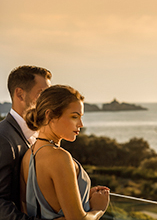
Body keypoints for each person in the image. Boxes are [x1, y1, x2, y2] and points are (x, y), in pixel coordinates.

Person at [20, 85, 110, 219]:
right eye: (74, 117)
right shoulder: (60, 157)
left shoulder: (29, 154)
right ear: (50, 115)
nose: (81, 124)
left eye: (81, 117)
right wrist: (98, 208)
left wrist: (81, 197)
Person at [0, 65, 52, 220]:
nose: (48, 101)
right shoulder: (3, 138)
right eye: (42, 94)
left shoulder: (43, 135)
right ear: (20, 94)